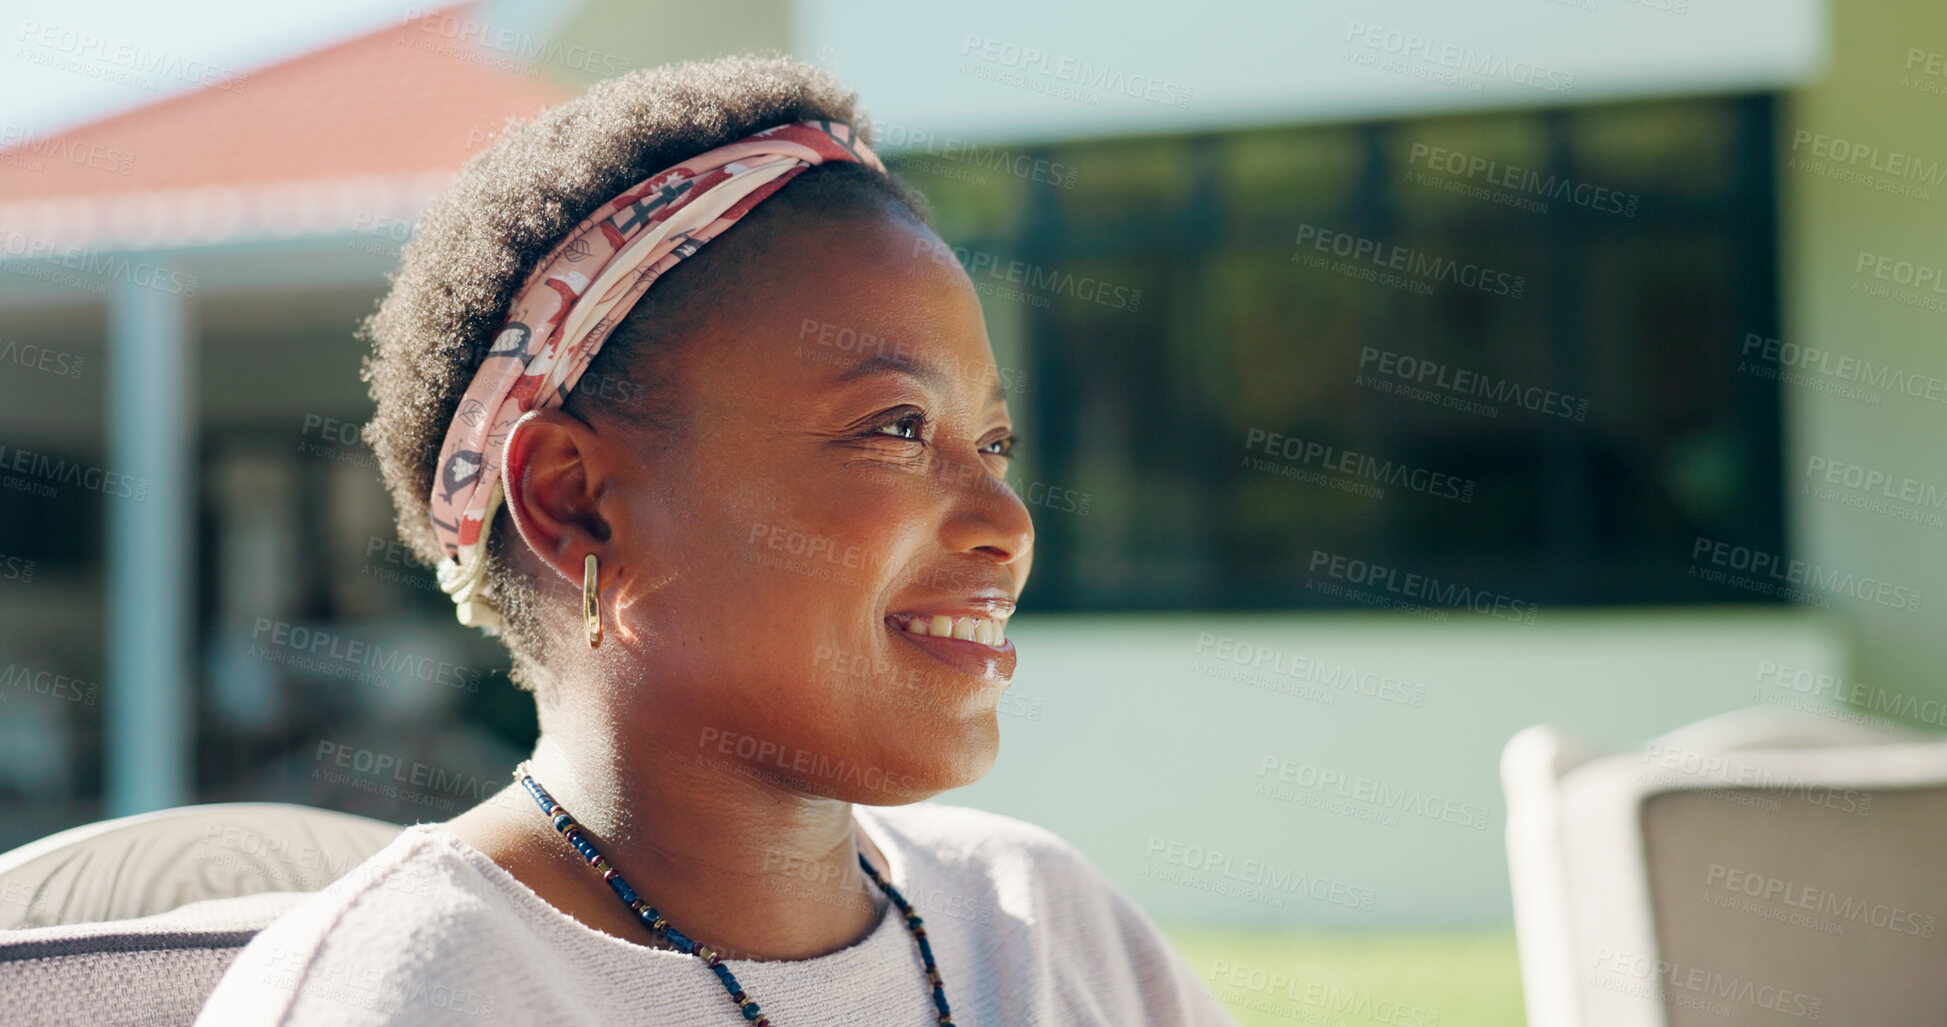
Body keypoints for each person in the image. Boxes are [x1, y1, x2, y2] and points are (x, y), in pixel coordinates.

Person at [195, 53, 1235, 1026]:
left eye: (995, 442)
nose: (1006, 523)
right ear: (577, 505)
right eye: (896, 428)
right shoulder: (408, 988)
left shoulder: (1043, 928)